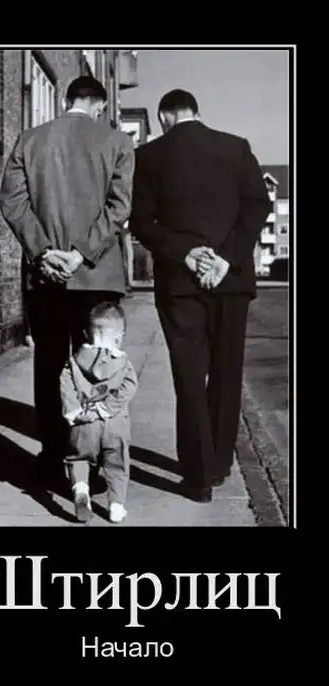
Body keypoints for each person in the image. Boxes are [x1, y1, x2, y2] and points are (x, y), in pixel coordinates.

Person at [129, 89, 271, 503]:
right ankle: (221, 463)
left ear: (164, 116)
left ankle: (198, 476)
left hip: (180, 283)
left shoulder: (148, 156)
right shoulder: (236, 147)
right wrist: (225, 258)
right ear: (196, 111)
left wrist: (187, 254)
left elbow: (142, 222)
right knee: (226, 374)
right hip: (231, 281)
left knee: (189, 377)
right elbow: (257, 207)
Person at [0, 76, 135, 476]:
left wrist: (44, 251)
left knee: (50, 364)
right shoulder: (117, 142)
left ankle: (53, 457)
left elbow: (13, 202)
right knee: (98, 367)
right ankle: (93, 462)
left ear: (65, 99)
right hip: (98, 276)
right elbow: (119, 208)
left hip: (46, 276)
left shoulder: (30, 140)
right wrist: (80, 254)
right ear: (101, 105)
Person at [60, 301, 138, 523]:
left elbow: (65, 385)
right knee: (117, 465)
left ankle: (81, 490)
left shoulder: (74, 361)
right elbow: (129, 386)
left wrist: (75, 412)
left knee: (78, 458)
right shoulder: (123, 363)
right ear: (119, 337)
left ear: (86, 334)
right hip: (115, 423)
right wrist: (105, 408)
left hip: (84, 422)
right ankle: (116, 507)